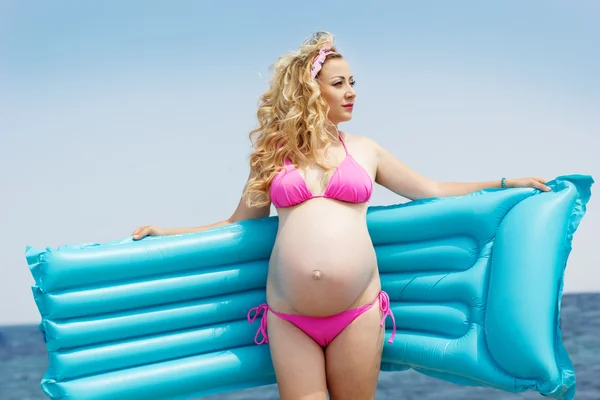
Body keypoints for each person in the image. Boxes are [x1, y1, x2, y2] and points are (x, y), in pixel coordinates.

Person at [132, 32, 551, 400]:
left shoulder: (367, 150)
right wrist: (166, 233)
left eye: (353, 82)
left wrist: (503, 183)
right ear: (311, 92)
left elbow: (433, 190)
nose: (351, 91)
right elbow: (240, 223)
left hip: (357, 310)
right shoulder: (275, 155)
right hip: (289, 317)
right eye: (339, 83)